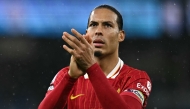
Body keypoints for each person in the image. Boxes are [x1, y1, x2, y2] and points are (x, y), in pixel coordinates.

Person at [38, 4, 152, 109]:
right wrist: (70, 78)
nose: (98, 31)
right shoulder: (66, 75)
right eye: (93, 25)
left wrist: (91, 68)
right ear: (86, 33)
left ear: (121, 36)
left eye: (107, 25)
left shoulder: (136, 78)